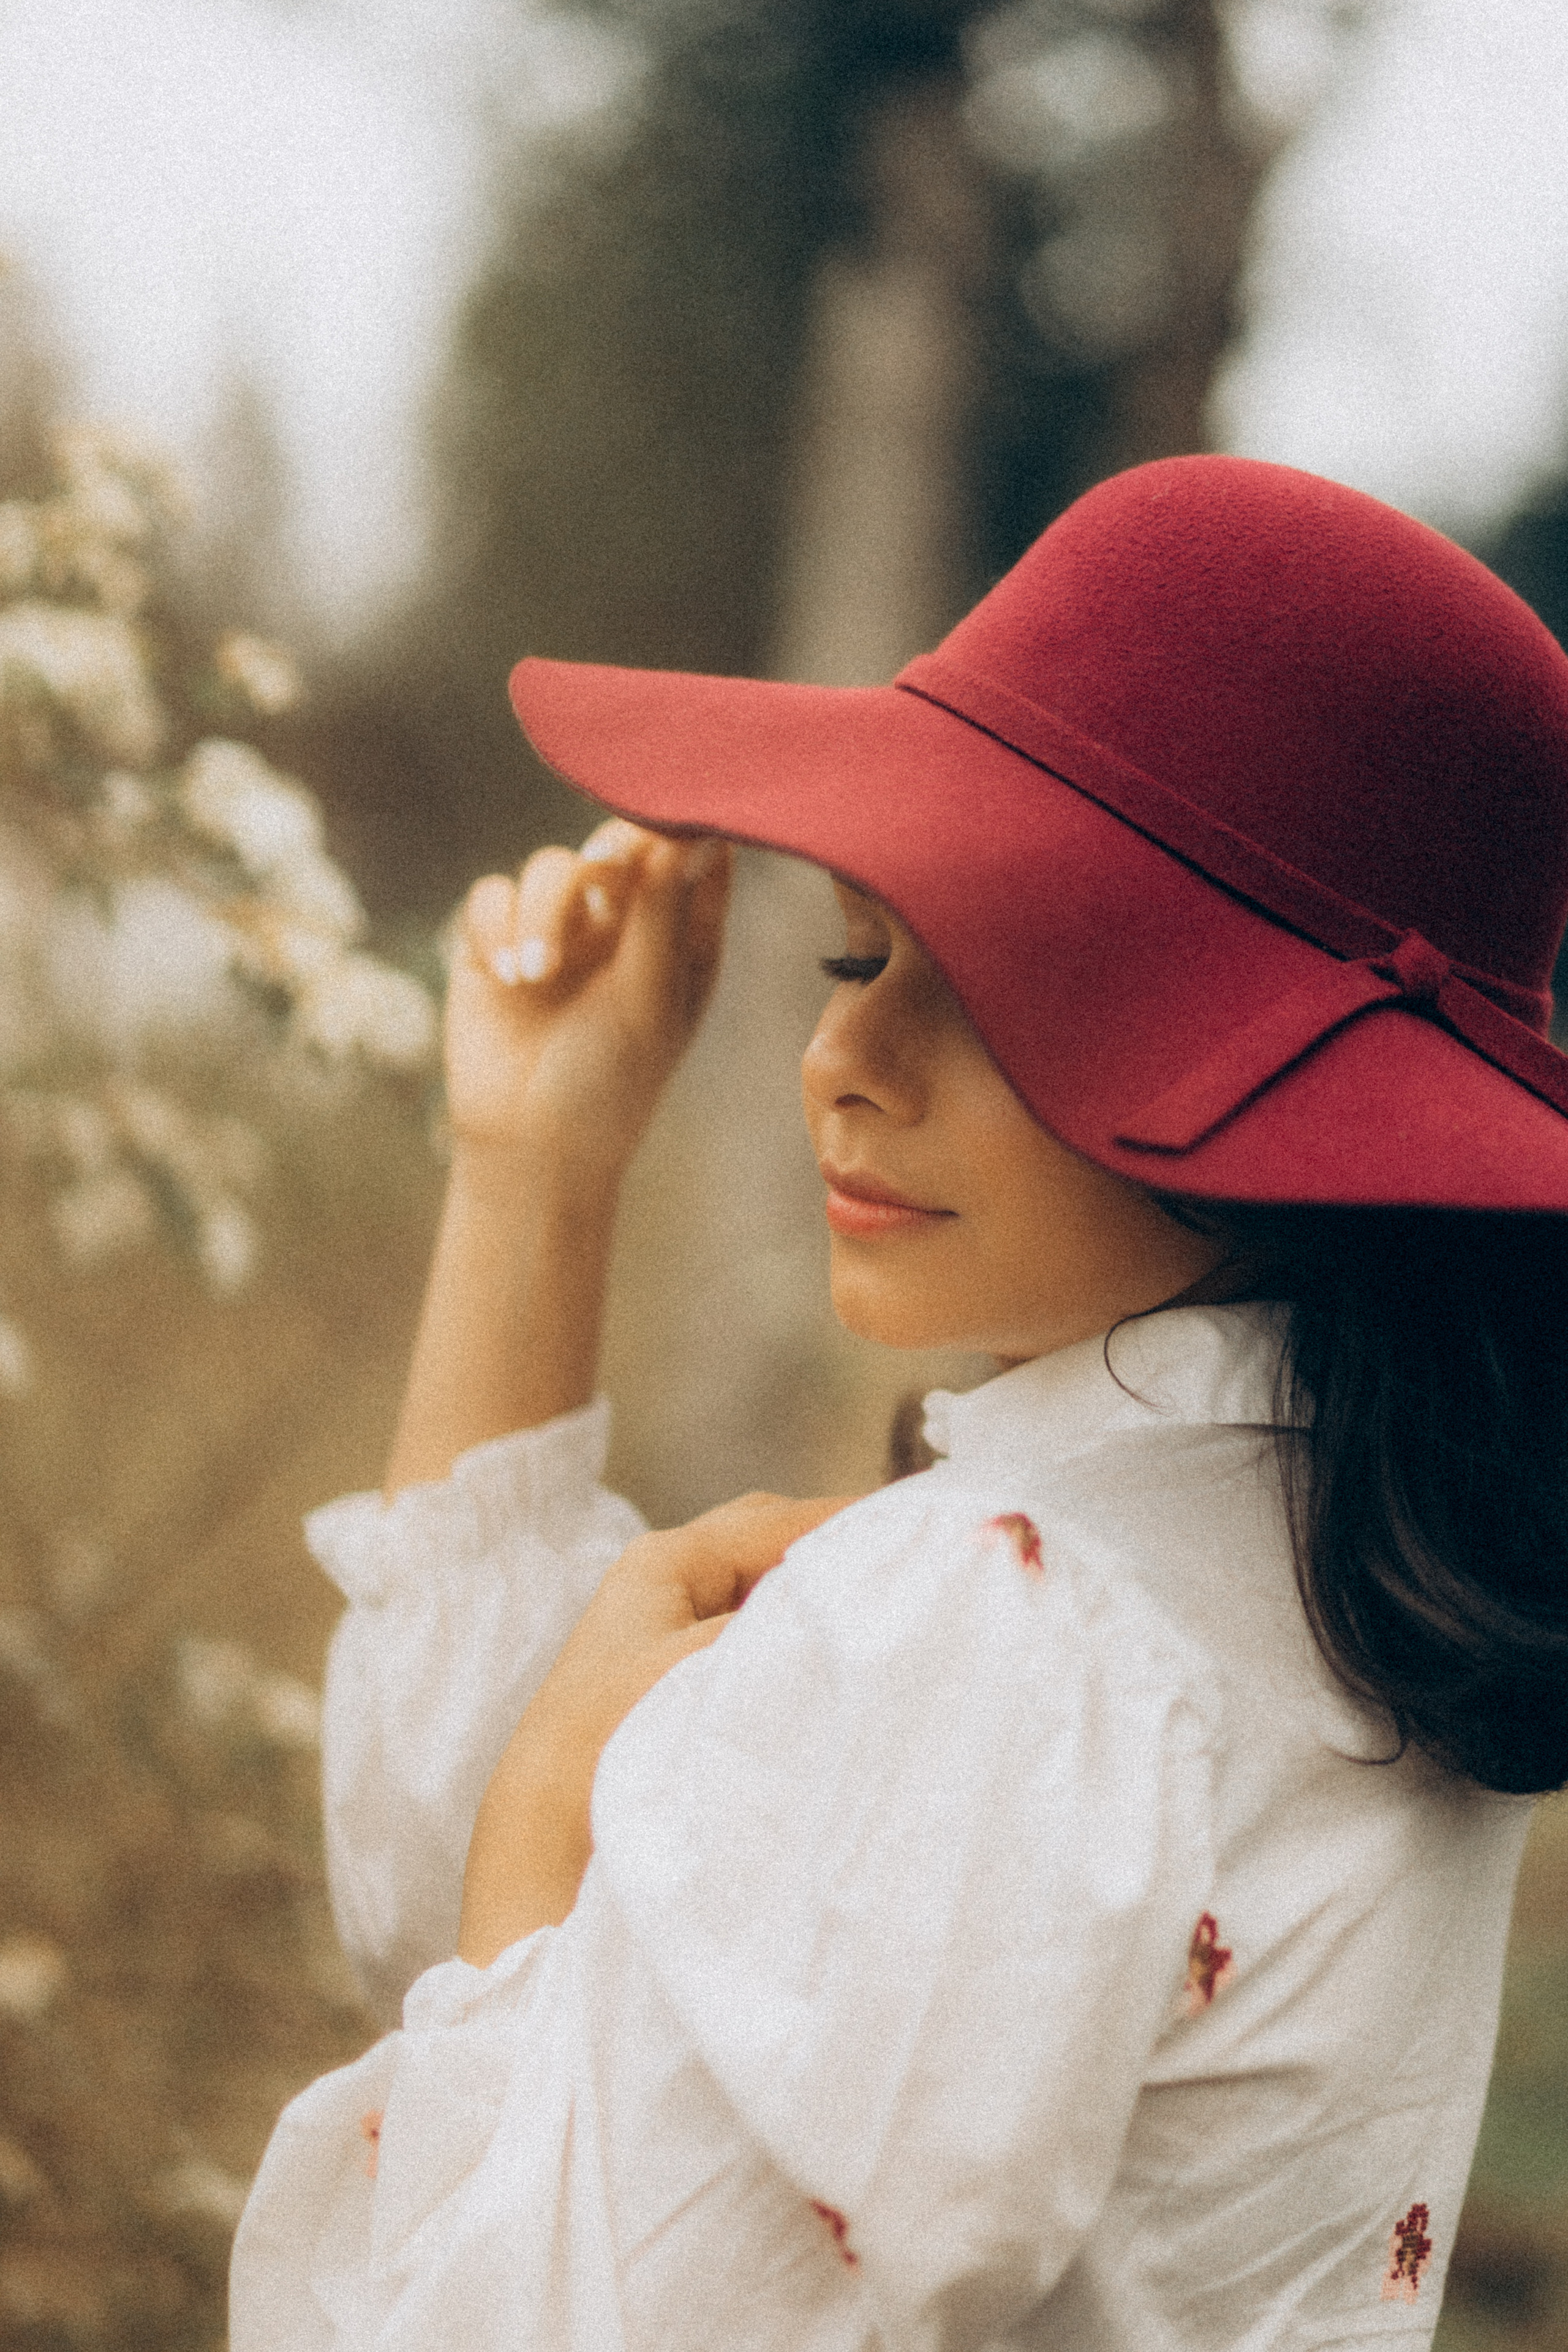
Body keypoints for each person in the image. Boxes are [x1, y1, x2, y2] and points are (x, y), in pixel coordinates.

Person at [232, 456, 1568, 2351]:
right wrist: (538, 1171)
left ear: (1283, 1081)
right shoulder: (1349, 1578)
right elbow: (641, 1985)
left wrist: (535, 1853)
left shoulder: (1005, 1633)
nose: (844, 1056)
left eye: (1006, 976)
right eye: (856, 948)